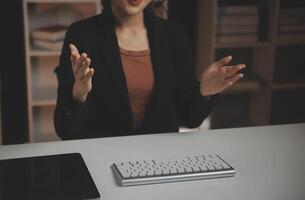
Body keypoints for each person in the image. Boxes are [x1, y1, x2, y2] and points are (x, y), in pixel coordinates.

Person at [54, 0, 246, 140]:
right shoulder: (82, 34)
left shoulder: (174, 34)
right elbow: (65, 130)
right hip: (102, 156)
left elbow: (189, 118)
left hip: (159, 156)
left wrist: (203, 92)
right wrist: (78, 94)